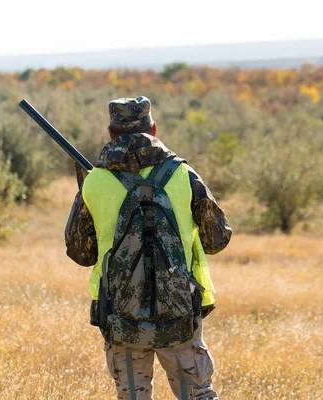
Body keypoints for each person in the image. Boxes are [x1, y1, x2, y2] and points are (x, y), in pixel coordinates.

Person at [65, 96, 232, 400]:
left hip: (121, 315)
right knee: (198, 395)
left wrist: (90, 193)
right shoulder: (183, 174)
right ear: (153, 129)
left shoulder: (95, 182)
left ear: (111, 133)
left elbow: (80, 253)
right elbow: (217, 240)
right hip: (179, 311)